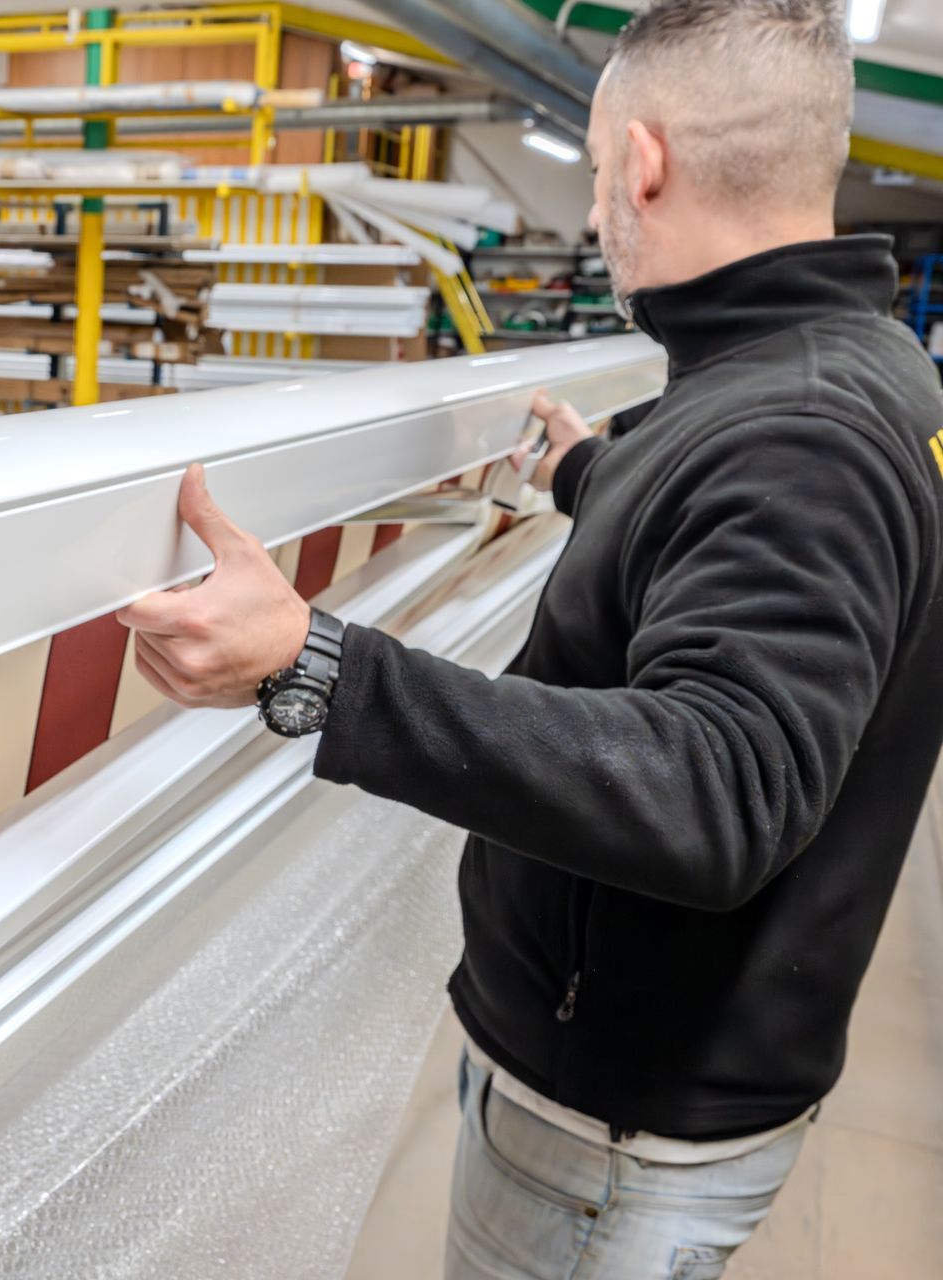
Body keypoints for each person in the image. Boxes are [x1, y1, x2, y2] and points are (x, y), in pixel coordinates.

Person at [116, 1, 943, 1275]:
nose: (599, 208)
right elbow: (724, 533)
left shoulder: (799, 437)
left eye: (600, 169)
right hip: (643, 1083)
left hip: (615, 1134)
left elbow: (717, 787)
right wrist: (585, 472)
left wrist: (317, 665)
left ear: (643, 163)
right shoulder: (845, 366)